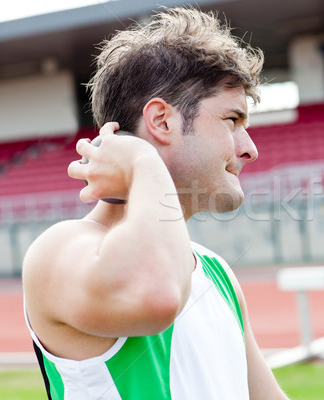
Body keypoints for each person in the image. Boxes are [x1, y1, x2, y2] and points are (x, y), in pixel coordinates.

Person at [22, 7, 289, 400]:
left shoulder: (217, 274)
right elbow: (157, 295)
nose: (249, 149)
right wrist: (141, 159)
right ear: (161, 121)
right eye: (232, 120)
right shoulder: (59, 249)